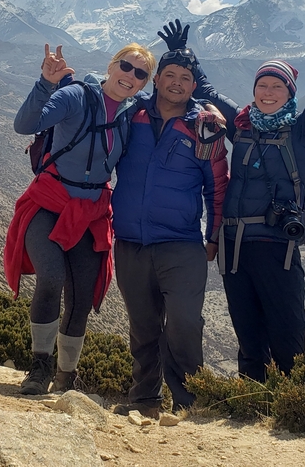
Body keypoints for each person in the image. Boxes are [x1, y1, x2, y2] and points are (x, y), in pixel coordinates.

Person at [160, 2, 305, 383]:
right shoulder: (241, 124)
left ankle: (293, 412)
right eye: (262, 85)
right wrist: (186, 57)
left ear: (289, 92)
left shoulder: (302, 130)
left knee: (288, 338)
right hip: (234, 249)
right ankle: (253, 414)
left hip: (278, 247)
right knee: (248, 338)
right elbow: (208, 89)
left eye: (276, 86)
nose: (267, 92)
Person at [4, 42, 156, 395]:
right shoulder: (75, 96)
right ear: (111, 65)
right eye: (126, 66)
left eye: (140, 73)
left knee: (81, 298)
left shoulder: (131, 114)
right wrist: (45, 82)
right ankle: (39, 367)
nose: (130, 76)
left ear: (144, 83)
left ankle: (66, 377)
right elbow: (24, 125)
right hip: (49, 202)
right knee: (52, 278)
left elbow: (175, 105)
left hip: (91, 213)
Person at [112, 47, 229, 418]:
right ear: (157, 78)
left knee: (184, 322)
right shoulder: (132, 116)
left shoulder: (204, 126)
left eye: (185, 78)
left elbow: (217, 185)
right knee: (143, 325)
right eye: (170, 75)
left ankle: (190, 402)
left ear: (194, 85)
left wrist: (213, 236)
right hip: (131, 241)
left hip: (181, 244)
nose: (176, 83)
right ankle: (145, 400)